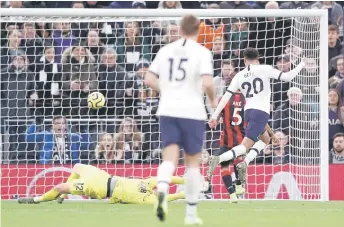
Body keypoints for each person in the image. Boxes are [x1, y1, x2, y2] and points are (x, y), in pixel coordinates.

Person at [142, 14, 216, 225]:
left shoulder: (165, 51)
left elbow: (148, 78)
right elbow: (209, 83)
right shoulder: (201, 52)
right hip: (192, 111)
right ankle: (191, 215)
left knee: (169, 158)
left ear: (180, 30)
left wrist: (165, 91)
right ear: (198, 30)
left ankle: (163, 188)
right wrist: (212, 101)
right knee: (192, 164)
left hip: (168, 109)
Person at [209, 47, 305, 185]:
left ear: (244, 60)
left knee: (265, 139)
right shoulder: (265, 68)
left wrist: (214, 116)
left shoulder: (239, 75)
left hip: (248, 112)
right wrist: (302, 64)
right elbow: (288, 76)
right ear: (258, 59)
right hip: (261, 111)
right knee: (245, 146)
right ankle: (218, 159)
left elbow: (225, 97)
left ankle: (245, 162)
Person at [17, 164, 186, 205]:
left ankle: (36, 200)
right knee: (77, 167)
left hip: (99, 187)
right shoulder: (147, 184)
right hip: (102, 176)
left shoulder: (144, 199)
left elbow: (166, 198)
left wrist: (182, 194)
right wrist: (186, 180)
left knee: (58, 187)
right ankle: (61, 195)